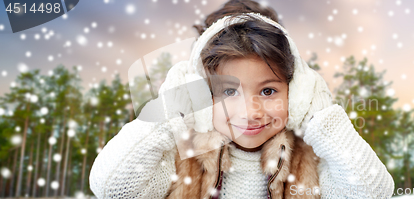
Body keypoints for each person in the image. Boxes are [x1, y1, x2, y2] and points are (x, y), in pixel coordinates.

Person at [89, 0, 395, 198]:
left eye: (268, 91)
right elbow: (112, 188)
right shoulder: (180, 158)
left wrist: (322, 116)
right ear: (199, 93)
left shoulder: (312, 161)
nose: (250, 112)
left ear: (298, 91)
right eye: (229, 91)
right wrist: (169, 113)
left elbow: (373, 192)